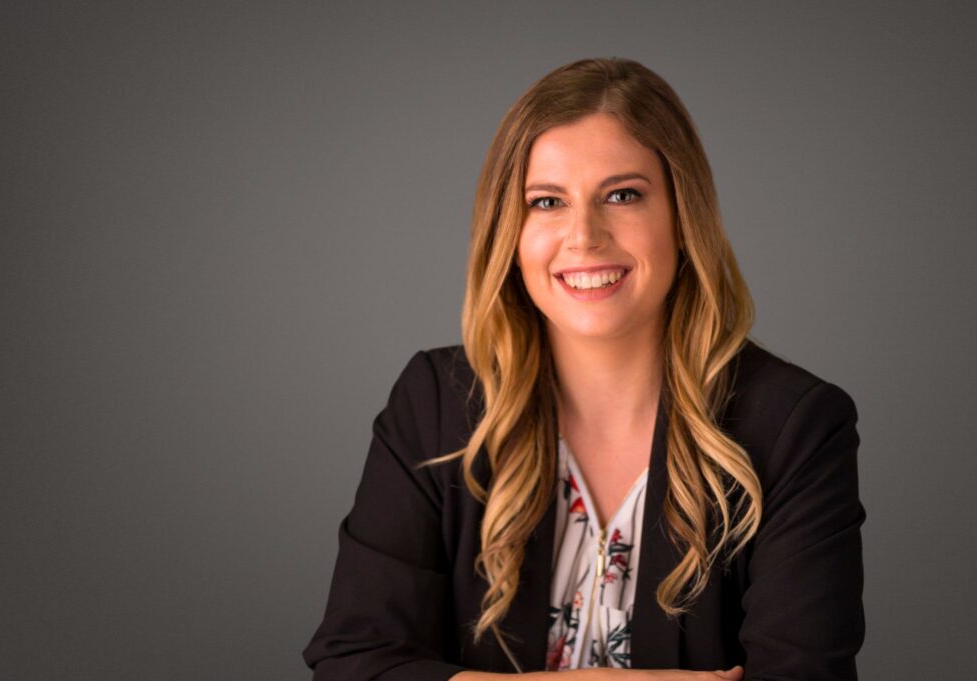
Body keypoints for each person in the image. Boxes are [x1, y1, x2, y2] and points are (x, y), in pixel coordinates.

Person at [302, 57, 865, 681]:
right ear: (509, 235)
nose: (583, 236)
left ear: (684, 217)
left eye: (622, 195)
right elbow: (352, 663)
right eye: (547, 202)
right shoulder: (434, 403)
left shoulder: (796, 426)